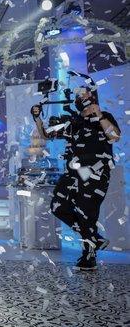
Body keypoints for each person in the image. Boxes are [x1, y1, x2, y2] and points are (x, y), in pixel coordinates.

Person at [31, 86, 121, 271]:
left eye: (84, 94)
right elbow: (45, 135)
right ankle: (94, 238)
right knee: (58, 206)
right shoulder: (75, 122)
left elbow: (114, 137)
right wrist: (37, 118)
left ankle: (89, 256)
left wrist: (99, 114)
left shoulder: (105, 117)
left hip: (95, 173)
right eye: (78, 96)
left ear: (93, 96)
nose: (80, 98)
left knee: (86, 213)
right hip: (74, 172)